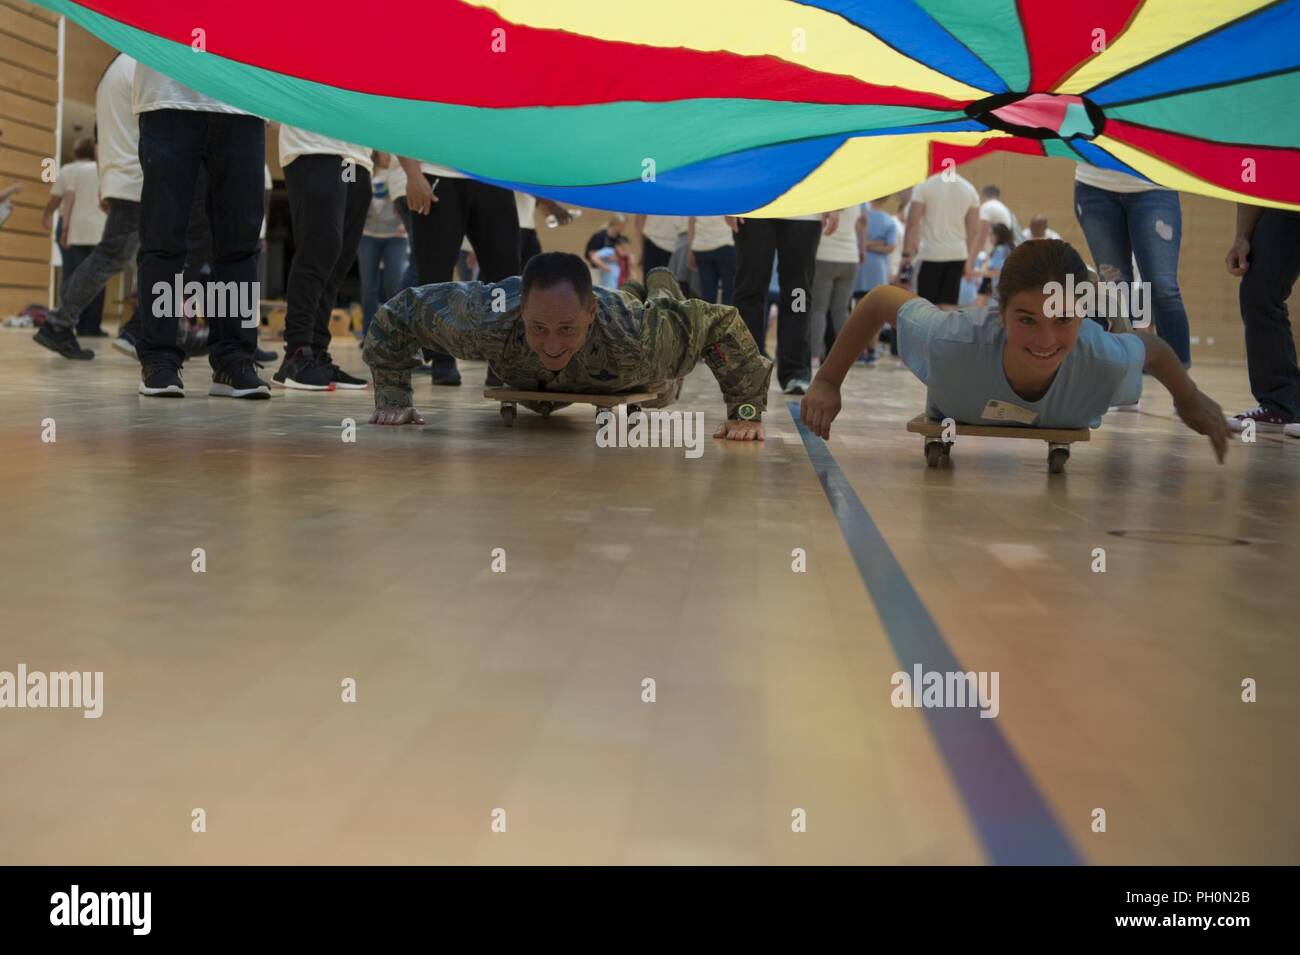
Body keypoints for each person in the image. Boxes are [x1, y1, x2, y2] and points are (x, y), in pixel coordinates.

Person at [800, 239, 1228, 464]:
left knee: (1109, 338)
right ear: (1000, 314)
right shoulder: (951, 342)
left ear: (1079, 316)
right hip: (971, 366)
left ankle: (1102, 308)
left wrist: (1188, 397)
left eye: (1062, 320)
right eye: (1026, 320)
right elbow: (878, 299)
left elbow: (1151, 349)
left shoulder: (1103, 360)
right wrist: (827, 381)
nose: (1044, 341)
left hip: (1089, 347)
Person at [363, 252, 772, 440]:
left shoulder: (640, 341)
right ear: (522, 309)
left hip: (629, 346)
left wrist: (746, 412)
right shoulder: (489, 317)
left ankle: (658, 283)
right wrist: (393, 395)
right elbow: (401, 313)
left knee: (664, 356)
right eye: (538, 327)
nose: (552, 344)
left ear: (589, 314)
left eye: (566, 328)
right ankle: (631, 290)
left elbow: (721, 324)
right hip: (541, 385)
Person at [131, 65, 266, 398]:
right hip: (168, 97)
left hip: (244, 101)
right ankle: (159, 359)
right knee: (164, 237)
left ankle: (234, 360)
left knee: (240, 242)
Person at [33, 54, 138, 359]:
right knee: (113, 258)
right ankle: (62, 323)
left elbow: (99, 140)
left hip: (118, 185)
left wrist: (106, 186)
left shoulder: (109, 74)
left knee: (115, 259)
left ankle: (149, 328)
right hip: (133, 183)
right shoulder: (138, 68)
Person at [397, 153, 520, 385]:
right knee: (435, 276)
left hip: (493, 178)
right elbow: (402, 122)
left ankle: (500, 360)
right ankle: (441, 359)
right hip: (437, 174)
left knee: (505, 278)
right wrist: (413, 174)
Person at [274, 124, 372, 390]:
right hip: (314, 145)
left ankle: (316, 352)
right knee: (319, 249)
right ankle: (296, 353)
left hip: (358, 159)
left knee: (339, 259)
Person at [1073, 165, 1191, 366]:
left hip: (1155, 185)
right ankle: (1124, 374)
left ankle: (1182, 387)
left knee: (1162, 287)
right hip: (1093, 185)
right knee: (1116, 289)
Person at [732, 212, 838, 395]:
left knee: (798, 295)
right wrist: (730, 202)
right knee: (750, 290)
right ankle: (746, 370)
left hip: (806, 208)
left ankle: (795, 371)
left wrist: (834, 204)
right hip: (754, 205)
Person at [1224, 203, 1300, 437]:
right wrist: (1242, 236)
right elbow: (1253, 174)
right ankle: (1279, 404)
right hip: (1287, 199)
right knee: (1258, 291)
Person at [44, 137, 108, 340]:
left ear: (76, 151)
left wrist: (50, 218)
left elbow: (60, 198)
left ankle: (66, 323)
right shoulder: (103, 171)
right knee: (97, 279)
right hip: (99, 230)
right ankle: (91, 326)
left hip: (74, 228)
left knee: (71, 276)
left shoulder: (68, 170)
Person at [902, 171, 980, 310]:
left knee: (926, 306)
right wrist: (967, 258)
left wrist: (906, 255)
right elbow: (973, 230)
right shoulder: (969, 188)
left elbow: (913, 223)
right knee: (948, 305)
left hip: (931, 254)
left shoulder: (924, 186)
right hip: (958, 254)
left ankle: (926, 333)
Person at [358, 152, 408, 341]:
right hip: (368, 235)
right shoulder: (366, 172)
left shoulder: (399, 172)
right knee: (369, 286)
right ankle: (369, 335)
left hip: (396, 236)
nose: (387, 155)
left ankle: (393, 333)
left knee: (394, 283)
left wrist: (405, 223)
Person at [808, 204, 864, 365]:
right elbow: (862, 222)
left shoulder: (828, 194)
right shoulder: (856, 197)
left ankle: (814, 356)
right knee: (841, 311)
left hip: (825, 255)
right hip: (850, 258)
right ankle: (847, 356)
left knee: (818, 310)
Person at [850, 201, 899, 363]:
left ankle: (860, 350)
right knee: (876, 313)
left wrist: (865, 244)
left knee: (858, 310)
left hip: (861, 266)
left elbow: (858, 239)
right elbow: (889, 247)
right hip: (877, 269)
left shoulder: (861, 215)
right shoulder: (889, 221)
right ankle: (871, 350)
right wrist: (877, 244)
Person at [688, 216, 736, 305]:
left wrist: (690, 251)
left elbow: (691, 222)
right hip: (724, 245)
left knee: (708, 297)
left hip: (701, 248)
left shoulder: (695, 201)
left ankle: (709, 318)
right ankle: (728, 318)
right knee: (729, 295)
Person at [975, 223, 1016, 308]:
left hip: (1000, 290)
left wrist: (978, 271)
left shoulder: (1000, 250)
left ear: (999, 235)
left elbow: (995, 273)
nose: (990, 237)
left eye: (991, 234)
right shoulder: (1010, 248)